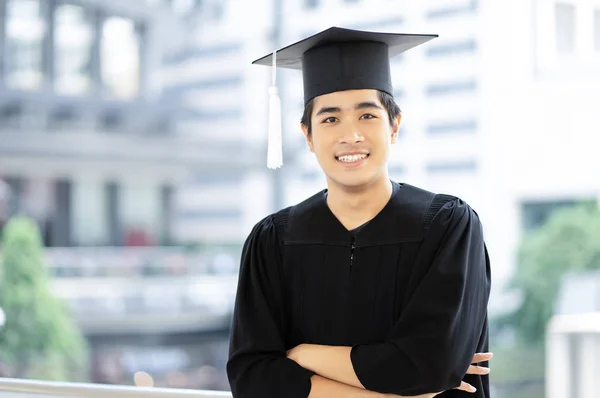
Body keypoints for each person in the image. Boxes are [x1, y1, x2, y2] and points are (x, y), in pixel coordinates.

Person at [227, 27, 492, 398]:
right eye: (330, 119)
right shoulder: (273, 240)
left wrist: (303, 355)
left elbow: (431, 365)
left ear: (394, 125)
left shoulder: (448, 226)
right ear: (307, 136)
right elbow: (252, 377)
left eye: (367, 116)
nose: (350, 136)